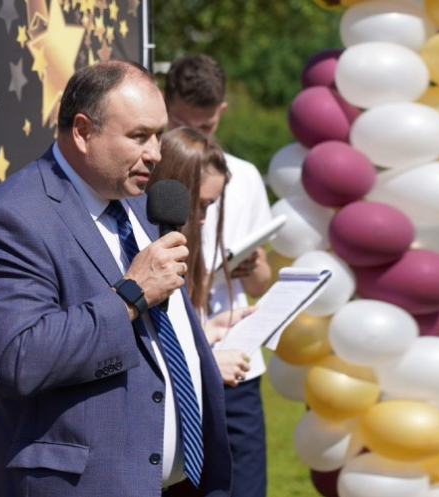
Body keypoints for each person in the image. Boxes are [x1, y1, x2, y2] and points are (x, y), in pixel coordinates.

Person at [0, 61, 235, 496]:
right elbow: (19, 359)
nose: (156, 153)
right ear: (83, 132)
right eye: (139, 136)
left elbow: (155, 342)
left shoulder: (142, 205)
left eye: (159, 135)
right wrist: (130, 295)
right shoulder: (11, 219)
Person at [164, 54, 274, 497]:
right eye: (182, 124)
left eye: (206, 127)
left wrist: (254, 267)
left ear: (221, 112)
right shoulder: (156, 172)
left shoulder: (244, 176)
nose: (196, 135)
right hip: (180, 365)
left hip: (237, 363)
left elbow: (260, 285)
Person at [147, 127, 252, 389]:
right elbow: (143, 347)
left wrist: (209, 328)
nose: (204, 218)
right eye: (200, 204)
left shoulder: (187, 243)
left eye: (210, 205)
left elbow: (172, 333)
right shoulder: (141, 249)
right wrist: (207, 362)